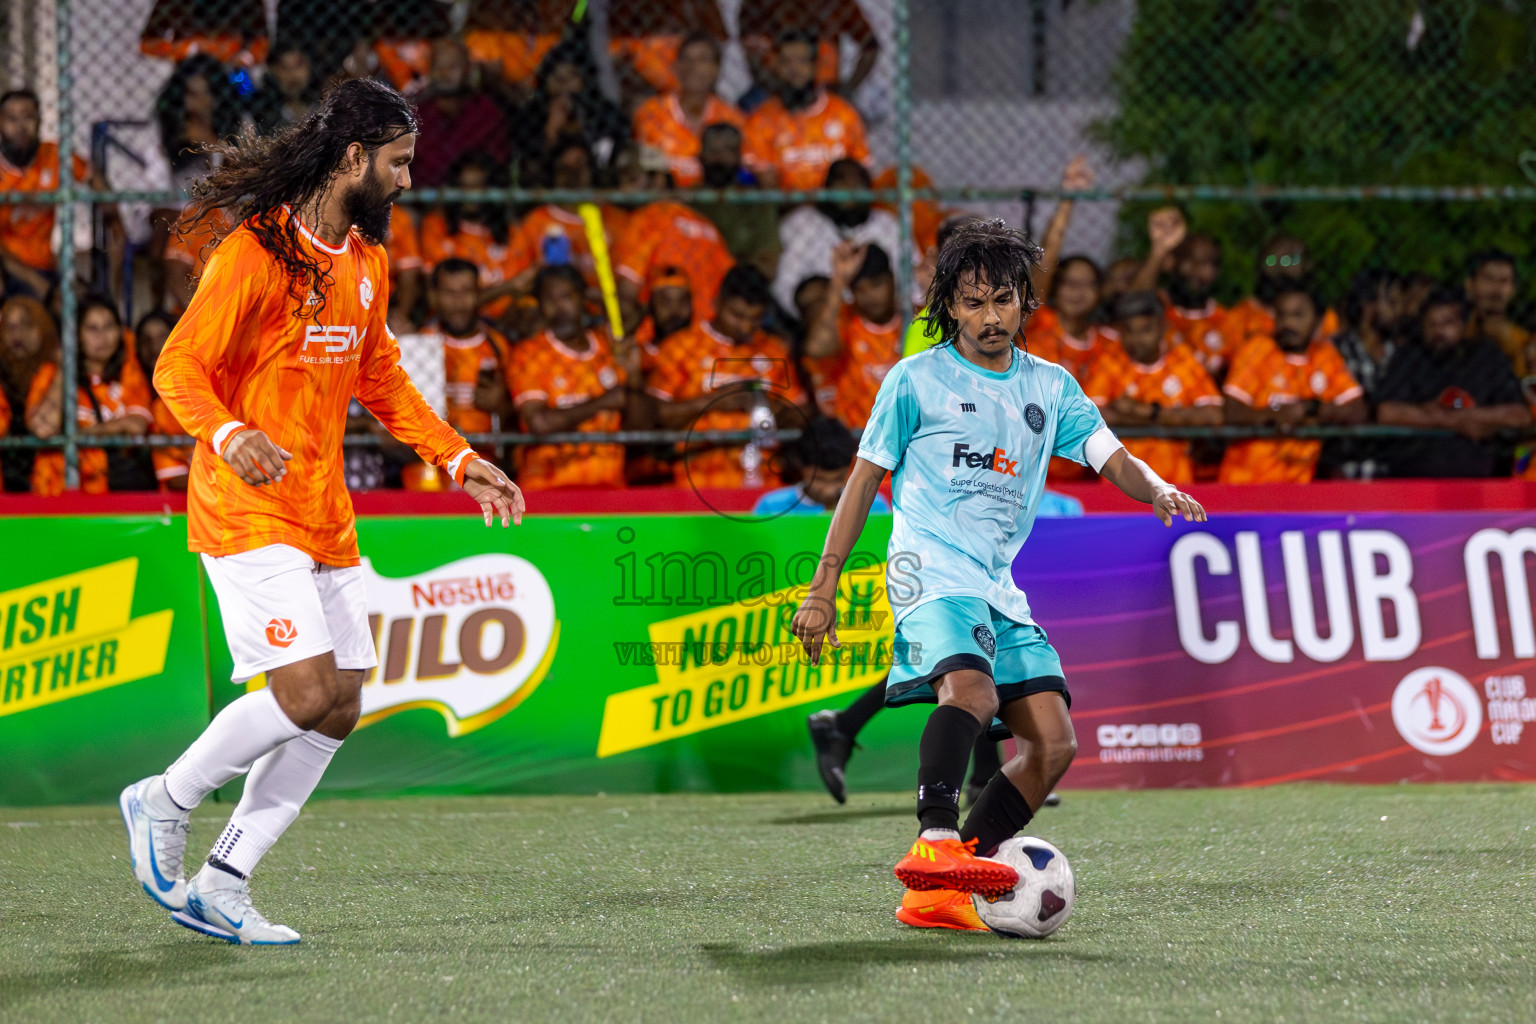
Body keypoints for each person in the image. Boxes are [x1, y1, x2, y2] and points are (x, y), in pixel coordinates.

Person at [117, 78, 523, 946]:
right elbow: (177, 367)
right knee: (302, 691)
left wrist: (459, 459)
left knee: (340, 701)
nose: (409, 181)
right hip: (245, 504)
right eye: (399, 163)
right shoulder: (253, 254)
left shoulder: (366, 262)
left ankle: (225, 880)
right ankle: (164, 797)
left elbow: (379, 377)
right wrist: (228, 436)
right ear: (352, 158)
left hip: (322, 513)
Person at [790, 218, 1206, 933]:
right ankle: (936, 838)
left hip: (996, 583)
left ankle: (943, 889)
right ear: (949, 303)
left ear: (1023, 303)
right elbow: (860, 486)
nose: (991, 317)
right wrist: (822, 587)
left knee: (1052, 743)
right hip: (928, 566)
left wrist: (1158, 488)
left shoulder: (1052, 385)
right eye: (976, 302)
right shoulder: (914, 380)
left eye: (1004, 300)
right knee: (972, 692)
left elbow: (1112, 456)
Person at [647, 264, 809, 488]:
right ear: (717, 303)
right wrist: (715, 401)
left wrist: (771, 407)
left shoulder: (773, 349)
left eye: (755, 318)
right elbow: (655, 416)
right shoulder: (679, 347)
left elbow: (800, 412)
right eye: (737, 315)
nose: (745, 326)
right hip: (699, 475)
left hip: (765, 476)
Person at [507, 265, 649, 490]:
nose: (558, 308)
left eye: (566, 297)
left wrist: (633, 379)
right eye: (549, 300)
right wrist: (604, 402)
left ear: (583, 299)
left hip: (609, 487)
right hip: (548, 487)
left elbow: (641, 425)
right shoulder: (529, 353)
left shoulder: (609, 349)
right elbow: (539, 423)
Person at [1219, 283, 1366, 484]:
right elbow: (1232, 411)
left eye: (1298, 315)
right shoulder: (1257, 350)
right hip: (1247, 481)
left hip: (1299, 486)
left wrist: (1313, 410)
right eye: (1282, 315)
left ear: (1318, 321)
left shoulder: (1325, 355)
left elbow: (1357, 410)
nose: (1288, 324)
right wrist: (1275, 415)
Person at [1377, 289, 1531, 478]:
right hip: (1414, 478)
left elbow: (1520, 415)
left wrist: (1469, 415)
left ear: (1464, 326)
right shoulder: (1409, 356)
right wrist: (1453, 421)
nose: (1438, 331)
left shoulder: (1487, 356)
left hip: (1479, 480)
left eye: (1447, 323)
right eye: (1431, 324)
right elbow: (1386, 411)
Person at [1083, 290, 1223, 485]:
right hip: (1120, 483)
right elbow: (1091, 416)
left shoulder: (1183, 360)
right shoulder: (1108, 362)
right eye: (1128, 330)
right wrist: (1171, 419)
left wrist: (1146, 411)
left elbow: (1213, 414)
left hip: (1176, 482)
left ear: (1163, 328)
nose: (1136, 339)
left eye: (1145, 330)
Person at [26, 295, 155, 495]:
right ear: (75, 334)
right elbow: (43, 429)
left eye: (109, 326)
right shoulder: (50, 375)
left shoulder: (129, 373)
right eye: (92, 328)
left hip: (116, 495)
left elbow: (135, 425)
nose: (102, 336)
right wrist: (64, 367)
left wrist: (72, 438)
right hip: (58, 491)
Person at [614, 163, 735, 330]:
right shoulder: (709, 227)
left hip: (663, 336)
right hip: (706, 339)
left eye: (632, 179)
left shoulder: (650, 218)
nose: (623, 189)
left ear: (659, 181)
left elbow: (627, 291)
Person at [743, 31, 869, 191]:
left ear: (816, 66)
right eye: (786, 62)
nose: (794, 69)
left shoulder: (844, 114)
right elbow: (763, 179)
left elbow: (860, 170)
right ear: (775, 67)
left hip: (834, 210)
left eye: (802, 61)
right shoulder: (761, 118)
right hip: (784, 210)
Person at [0, 89, 94, 299]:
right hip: (9, 268)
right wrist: (38, 283)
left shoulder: (53, 155)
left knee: (85, 300)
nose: (21, 127)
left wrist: (111, 210)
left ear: (40, 121)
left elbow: (93, 178)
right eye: (12, 119)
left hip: (45, 264)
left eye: (28, 117)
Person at [773, 159, 898, 314]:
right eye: (842, 185)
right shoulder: (803, 222)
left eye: (857, 186)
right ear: (827, 189)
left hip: (874, 320)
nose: (851, 193)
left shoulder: (886, 223)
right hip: (817, 319)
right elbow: (784, 288)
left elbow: (908, 279)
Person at [506, 139, 628, 298]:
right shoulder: (535, 221)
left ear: (592, 171)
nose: (573, 175)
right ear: (554, 174)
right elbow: (518, 281)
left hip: (605, 310)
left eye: (580, 166)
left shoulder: (616, 219)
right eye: (565, 169)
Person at [802, 242, 902, 430]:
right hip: (857, 443)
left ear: (892, 280)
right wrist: (839, 281)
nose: (869, 296)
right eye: (860, 289)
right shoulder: (845, 322)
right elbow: (816, 348)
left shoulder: (915, 320)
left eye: (876, 285)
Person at [418, 257, 515, 442]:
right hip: (431, 461)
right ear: (435, 297)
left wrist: (501, 406)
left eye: (466, 291)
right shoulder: (421, 343)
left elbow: (517, 417)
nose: (458, 302)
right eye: (449, 293)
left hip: (485, 458)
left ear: (479, 294)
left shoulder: (498, 345)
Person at [631, 33, 744, 188]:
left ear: (716, 68)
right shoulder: (650, 114)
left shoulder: (732, 117)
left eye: (702, 59)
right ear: (676, 67)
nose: (693, 66)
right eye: (686, 59)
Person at [419, 151, 520, 322]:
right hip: (450, 323)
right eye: (464, 187)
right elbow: (435, 300)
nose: (471, 194)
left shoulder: (511, 233)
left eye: (479, 187)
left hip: (505, 323)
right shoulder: (435, 226)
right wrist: (505, 289)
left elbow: (519, 292)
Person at [511, 37, 628, 181]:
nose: (563, 85)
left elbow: (607, 161)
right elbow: (528, 169)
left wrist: (582, 128)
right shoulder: (531, 115)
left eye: (572, 75)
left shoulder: (605, 114)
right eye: (556, 76)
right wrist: (550, 133)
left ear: (585, 81)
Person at [1325, 269, 1403, 480]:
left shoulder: (1401, 354)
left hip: (1391, 473)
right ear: (1369, 305)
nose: (1400, 311)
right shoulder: (1334, 351)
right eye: (1393, 303)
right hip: (1342, 469)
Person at [409, 36, 510, 189]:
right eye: (438, 66)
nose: (444, 73)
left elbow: (498, 161)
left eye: (452, 66)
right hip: (424, 201)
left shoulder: (487, 113)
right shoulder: (416, 115)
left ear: (468, 69)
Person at [738, 0, 880, 104]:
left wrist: (849, 88)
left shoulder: (837, 4)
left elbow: (870, 46)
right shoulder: (758, 4)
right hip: (772, 89)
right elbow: (750, 49)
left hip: (824, 86)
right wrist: (772, 84)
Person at [690, 123, 781, 280]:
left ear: (739, 156)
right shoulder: (687, 201)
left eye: (727, 151)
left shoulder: (756, 203)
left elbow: (767, 263)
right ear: (700, 155)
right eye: (712, 151)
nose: (719, 158)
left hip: (740, 286)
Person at [1222, 234, 1339, 353]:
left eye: (1293, 259)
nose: (1283, 266)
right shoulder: (1242, 317)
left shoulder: (1323, 319)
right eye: (1272, 260)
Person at [752, 416, 890, 516]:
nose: (829, 490)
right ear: (801, 466)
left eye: (838, 479)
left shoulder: (872, 506)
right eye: (819, 479)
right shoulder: (772, 508)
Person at [156, 55, 247, 195]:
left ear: (215, 98)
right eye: (187, 94)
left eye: (197, 95)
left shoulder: (229, 138)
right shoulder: (176, 138)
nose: (188, 102)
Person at [0, 295, 56, 491]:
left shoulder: (55, 374)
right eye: (10, 327)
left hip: (48, 484)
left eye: (27, 325)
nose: (17, 334)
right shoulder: (2, 375)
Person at [135, 310, 193, 493]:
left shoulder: (199, 386)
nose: (154, 347)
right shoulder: (150, 402)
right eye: (146, 340)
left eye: (162, 337)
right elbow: (173, 478)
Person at [1463, 250, 1529, 376]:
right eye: (1488, 279)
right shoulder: (1450, 334)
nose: (1497, 290)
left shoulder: (1525, 343)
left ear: (1513, 289)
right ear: (1469, 284)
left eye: (1504, 281)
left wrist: (1514, 354)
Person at [249, 43, 321, 134]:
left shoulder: (324, 109)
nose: (292, 74)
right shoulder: (261, 118)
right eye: (283, 67)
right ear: (272, 72)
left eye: (298, 65)